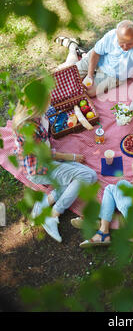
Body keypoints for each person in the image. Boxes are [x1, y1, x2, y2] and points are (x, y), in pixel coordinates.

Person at [12, 86, 98, 243]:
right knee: (88, 176)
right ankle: (53, 215)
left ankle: (43, 205)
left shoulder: (35, 115)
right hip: (39, 169)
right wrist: (71, 157)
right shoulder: (27, 128)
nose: (50, 102)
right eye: (47, 101)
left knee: (89, 177)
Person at [55, 20, 133, 98]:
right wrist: (89, 75)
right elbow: (96, 53)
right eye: (121, 43)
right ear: (117, 35)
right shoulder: (111, 36)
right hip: (99, 59)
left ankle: (76, 49)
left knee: (87, 92)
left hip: (114, 75)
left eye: (130, 44)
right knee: (68, 76)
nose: (125, 47)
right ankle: (73, 47)